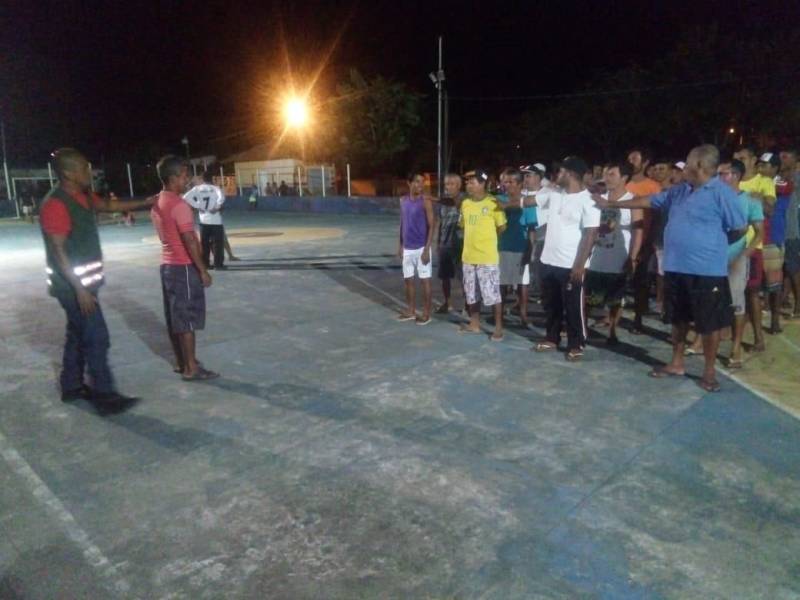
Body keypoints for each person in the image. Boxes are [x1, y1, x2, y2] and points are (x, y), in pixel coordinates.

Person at [595, 145, 746, 392]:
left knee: (708, 324)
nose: (683, 167)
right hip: (676, 266)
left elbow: (739, 228)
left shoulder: (722, 193)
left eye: (687, 163)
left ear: (699, 166)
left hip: (707, 272)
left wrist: (713, 247)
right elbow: (650, 201)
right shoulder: (680, 191)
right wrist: (612, 204)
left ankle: (709, 372)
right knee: (678, 319)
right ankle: (676, 363)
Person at [39, 148, 152, 413]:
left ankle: (72, 386)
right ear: (68, 172)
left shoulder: (82, 196)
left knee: (77, 334)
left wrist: (147, 201)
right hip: (73, 287)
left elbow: (110, 206)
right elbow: (59, 250)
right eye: (83, 168)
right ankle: (105, 396)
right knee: (97, 337)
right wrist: (80, 289)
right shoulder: (56, 203)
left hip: (84, 284)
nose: (89, 172)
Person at [151, 155, 219, 381]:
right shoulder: (179, 205)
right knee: (187, 320)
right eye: (183, 175)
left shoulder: (158, 201)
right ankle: (191, 368)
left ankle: (183, 362)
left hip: (168, 267)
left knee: (176, 318)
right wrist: (202, 270)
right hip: (183, 268)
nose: (187, 179)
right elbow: (189, 239)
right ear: (172, 178)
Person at [529, 156, 600, 361]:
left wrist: (579, 265)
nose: (555, 175)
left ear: (569, 174)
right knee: (551, 304)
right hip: (548, 261)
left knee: (573, 306)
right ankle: (552, 337)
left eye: (559, 172)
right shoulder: (554, 194)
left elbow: (590, 234)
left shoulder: (589, 200)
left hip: (571, 264)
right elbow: (528, 201)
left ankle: (576, 343)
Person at [585, 160, 642, 345]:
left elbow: (638, 231)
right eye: (606, 173)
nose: (606, 178)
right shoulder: (598, 198)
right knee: (589, 297)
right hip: (596, 258)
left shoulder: (633, 201)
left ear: (624, 177)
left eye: (612, 174)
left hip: (618, 258)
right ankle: (582, 328)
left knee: (615, 299)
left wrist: (632, 257)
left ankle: (612, 332)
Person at [717, 159, 764, 368]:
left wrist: (746, 253)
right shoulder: (715, 198)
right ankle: (707, 342)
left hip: (736, 259)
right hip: (712, 258)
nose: (718, 177)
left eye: (723, 173)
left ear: (735, 175)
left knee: (737, 304)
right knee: (711, 302)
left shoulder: (750, 201)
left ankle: (735, 348)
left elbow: (760, 231)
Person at [459, 169, 507, 341]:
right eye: (467, 182)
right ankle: (474, 324)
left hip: (487, 258)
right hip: (468, 257)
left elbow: (501, 227)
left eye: (472, 182)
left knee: (493, 294)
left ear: (482, 184)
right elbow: (463, 225)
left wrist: (487, 242)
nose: (468, 185)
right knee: (471, 293)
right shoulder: (465, 203)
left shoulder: (494, 203)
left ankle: (498, 328)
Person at [734, 145, 773, 351]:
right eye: (736, 158)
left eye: (743, 157)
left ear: (753, 159)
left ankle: (758, 338)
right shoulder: (732, 180)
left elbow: (769, 209)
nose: (739, 161)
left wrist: (757, 198)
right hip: (730, 246)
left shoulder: (764, 181)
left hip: (752, 246)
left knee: (752, 292)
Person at [626, 147, 662, 334]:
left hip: (643, 238)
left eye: (635, 158)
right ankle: (610, 316)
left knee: (641, 280)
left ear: (645, 162)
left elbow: (657, 217)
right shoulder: (623, 183)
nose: (630, 160)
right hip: (622, 238)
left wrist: (649, 242)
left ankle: (638, 318)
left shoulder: (653, 187)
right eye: (629, 157)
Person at [498, 168, 537, 328]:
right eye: (505, 182)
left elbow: (531, 228)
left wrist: (531, 249)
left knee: (523, 284)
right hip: (501, 247)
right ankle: (499, 315)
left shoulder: (528, 202)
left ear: (520, 184)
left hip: (521, 248)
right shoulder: (498, 199)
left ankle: (523, 314)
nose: (507, 185)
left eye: (511, 182)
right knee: (502, 284)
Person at [397, 172, 435, 324]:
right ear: (409, 183)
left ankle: (426, 314)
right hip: (407, 248)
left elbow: (432, 225)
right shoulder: (403, 200)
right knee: (409, 281)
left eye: (422, 182)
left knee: (425, 281)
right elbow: (402, 223)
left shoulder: (425, 201)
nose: (420, 185)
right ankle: (411, 311)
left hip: (421, 248)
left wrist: (427, 249)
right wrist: (400, 245)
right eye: (417, 182)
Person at [758, 152, 787, 334]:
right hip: (757, 237)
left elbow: (784, 186)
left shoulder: (780, 183)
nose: (760, 168)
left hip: (773, 237)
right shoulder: (758, 181)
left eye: (765, 165)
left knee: (774, 284)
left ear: (775, 168)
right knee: (754, 285)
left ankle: (775, 320)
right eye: (759, 164)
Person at [184, 170, 227, 270]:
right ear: (212, 179)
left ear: (202, 179)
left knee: (204, 243)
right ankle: (218, 264)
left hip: (203, 221)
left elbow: (186, 197)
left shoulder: (197, 189)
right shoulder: (215, 188)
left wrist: (198, 206)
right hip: (216, 221)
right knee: (218, 243)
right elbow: (222, 198)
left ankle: (206, 264)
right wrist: (216, 207)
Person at [435, 173, 465, 314]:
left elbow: (456, 203)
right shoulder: (443, 203)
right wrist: (438, 242)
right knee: (445, 277)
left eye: (452, 184)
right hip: (445, 244)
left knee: (464, 277)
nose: (448, 187)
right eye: (446, 184)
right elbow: (441, 222)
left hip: (460, 244)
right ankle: (447, 303)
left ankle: (467, 305)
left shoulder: (465, 200)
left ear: (459, 186)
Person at [780, 148, 800, 318]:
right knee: (785, 267)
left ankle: (799, 304)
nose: (782, 159)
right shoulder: (778, 178)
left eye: (786, 156)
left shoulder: (797, 178)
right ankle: (783, 297)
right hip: (779, 229)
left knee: (793, 268)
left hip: (792, 230)